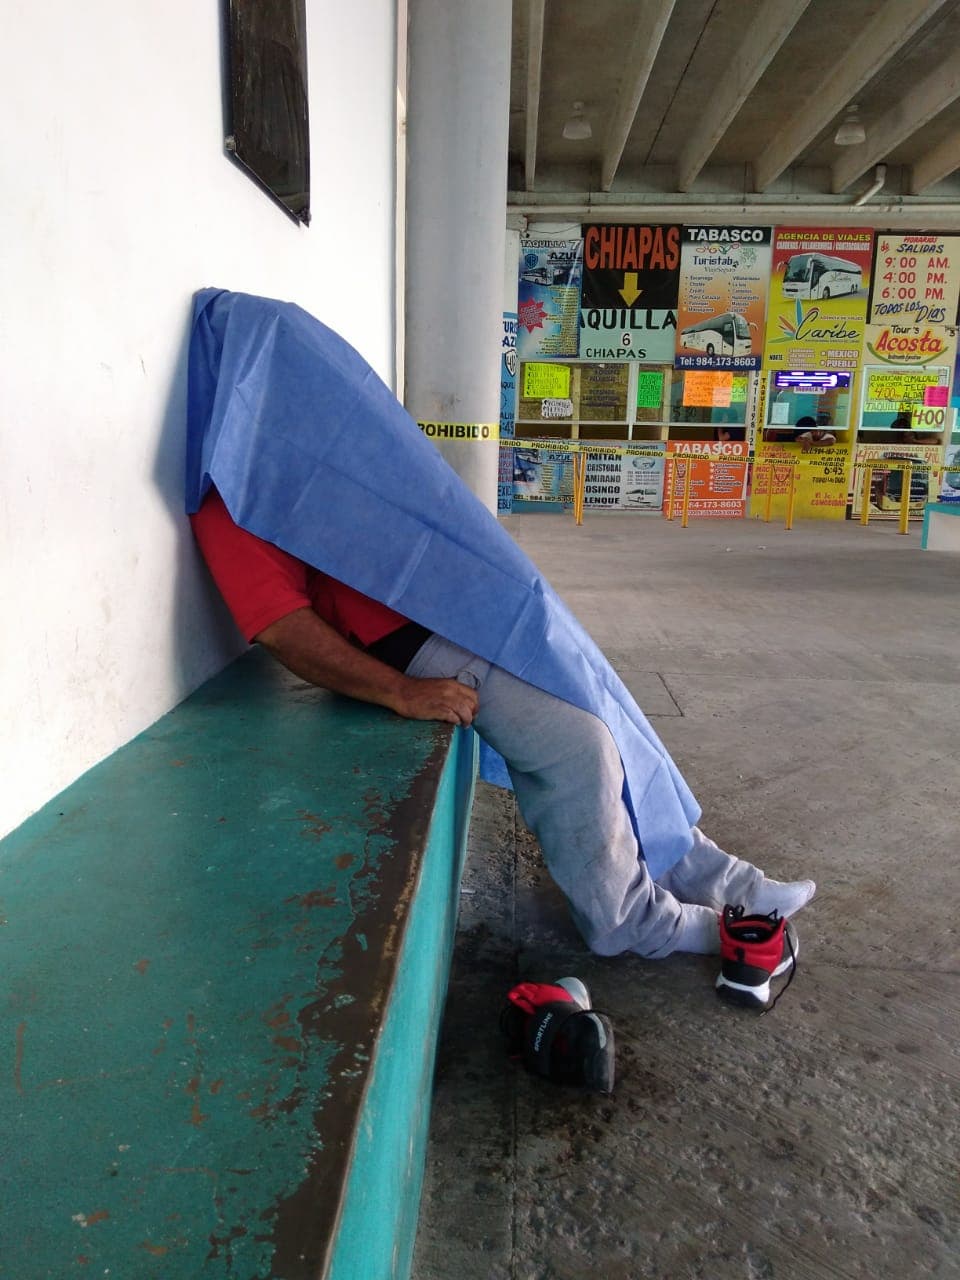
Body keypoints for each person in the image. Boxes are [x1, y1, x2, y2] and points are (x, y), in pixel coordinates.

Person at [187, 288, 816, 964]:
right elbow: (280, 626)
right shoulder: (229, 496)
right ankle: (631, 919)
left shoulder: (333, 453)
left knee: (610, 703)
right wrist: (398, 692)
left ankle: (718, 879)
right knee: (580, 746)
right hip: (419, 647)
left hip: (477, 609)